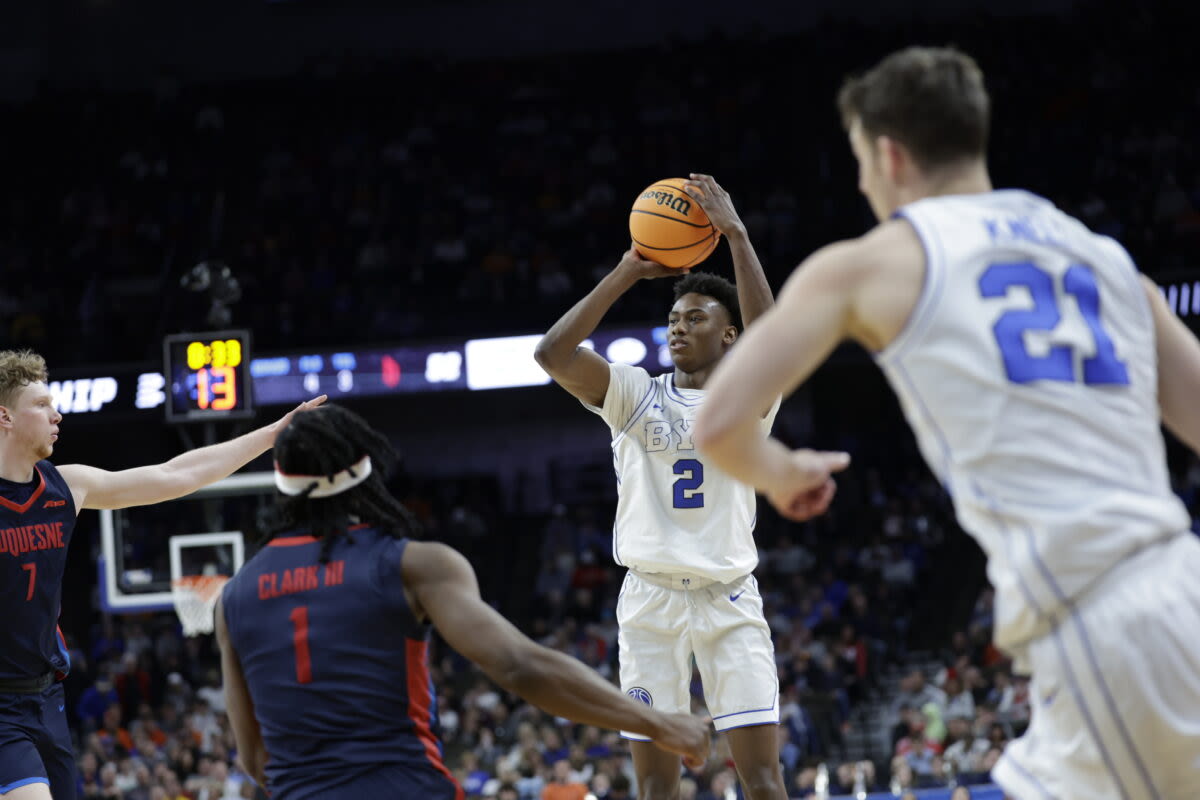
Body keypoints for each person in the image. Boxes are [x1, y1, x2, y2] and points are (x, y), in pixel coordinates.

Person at [693, 46, 1200, 800]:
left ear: (889, 154)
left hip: (1103, 621)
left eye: (861, 162)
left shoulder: (873, 262)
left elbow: (718, 421)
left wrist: (779, 473)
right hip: (1179, 580)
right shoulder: (1109, 260)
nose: (863, 183)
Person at [216, 404, 710, 800]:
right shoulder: (412, 564)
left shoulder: (233, 597)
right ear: (367, 471)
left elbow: (254, 759)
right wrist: (659, 723)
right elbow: (520, 667)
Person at [534, 175, 786, 800]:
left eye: (695, 318)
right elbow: (553, 353)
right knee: (655, 787)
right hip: (649, 603)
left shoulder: (748, 399)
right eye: (673, 318)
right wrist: (626, 271)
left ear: (729, 336)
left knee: (762, 779)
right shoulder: (635, 394)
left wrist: (736, 235)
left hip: (728, 599)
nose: (678, 327)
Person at [0, 349, 324, 800]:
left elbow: (177, 474)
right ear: (5, 417)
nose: (57, 414)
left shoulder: (67, 486)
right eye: (41, 405)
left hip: (48, 698)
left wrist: (272, 435)